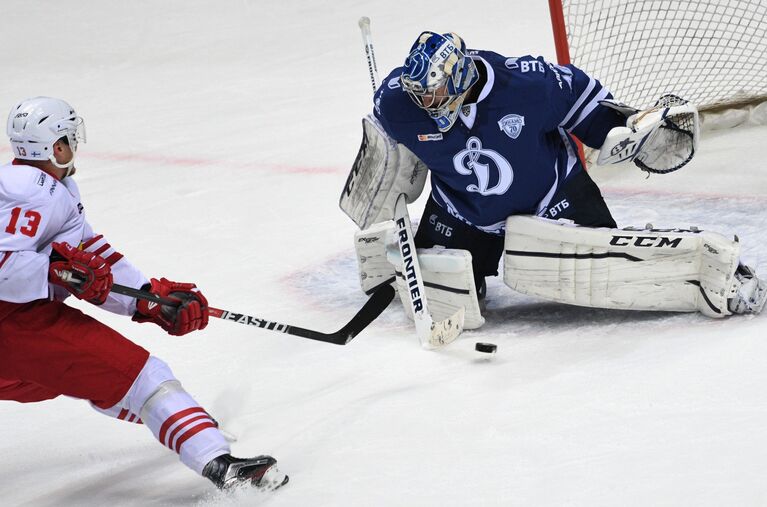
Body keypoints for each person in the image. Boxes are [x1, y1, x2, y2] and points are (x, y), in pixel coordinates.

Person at [354, 31, 765, 320]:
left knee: (615, 271)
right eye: (420, 93)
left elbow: (589, 107)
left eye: (434, 92)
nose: (425, 102)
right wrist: (379, 190)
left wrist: (626, 134)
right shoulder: (398, 101)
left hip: (555, 199)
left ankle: (699, 259)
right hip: (462, 213)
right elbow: (388, 154)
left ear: (460, 78)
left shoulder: (529, 85)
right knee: (451, 294)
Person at [0, 97, 288, 491]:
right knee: (143, 378)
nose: (75, 145)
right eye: (69, 137)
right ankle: (221, 465)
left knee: (86, 378)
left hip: (15, 340)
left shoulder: (52, 188)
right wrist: (57, 270)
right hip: (13, 324)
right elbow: (6, 269)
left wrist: (148, 299)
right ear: (57, 146)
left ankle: (182, 422)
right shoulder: (27, 190)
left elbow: (92, 254)